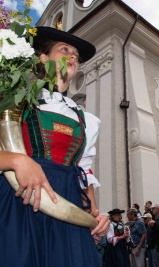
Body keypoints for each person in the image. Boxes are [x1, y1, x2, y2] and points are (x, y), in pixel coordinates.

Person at [0, 26, 110, 267]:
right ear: (43, 57)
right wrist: (17, 160)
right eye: (64, 50)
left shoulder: (87, 120)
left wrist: (95, 218)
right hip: (20, 199)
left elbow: (84, 171)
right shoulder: (14, 97)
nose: (73, 56)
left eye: (76, 56)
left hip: (67, 207)